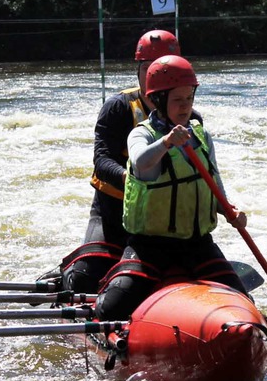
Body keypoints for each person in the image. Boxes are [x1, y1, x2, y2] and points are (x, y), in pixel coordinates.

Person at [94, 55, 249, 321]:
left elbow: (214, 179)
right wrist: (166, 142)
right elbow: (140, 164)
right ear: (159, 101)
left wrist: (228, 210)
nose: (186, 106)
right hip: (151, 246)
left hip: (196, 244)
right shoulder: (141, 134)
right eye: (178, 100)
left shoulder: (200, 135)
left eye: (189, 98)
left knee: (245, 301)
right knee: (112, 310)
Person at [59, 29, 186, 293]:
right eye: (148, 71)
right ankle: (68, 274)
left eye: (164, 75)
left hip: (158, 219)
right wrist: (132, 180)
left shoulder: (188, 114)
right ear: (139, 71)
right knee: (86, 280)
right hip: (113, 213)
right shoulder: (118, 107)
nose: (155, 82)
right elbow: (101, 161)